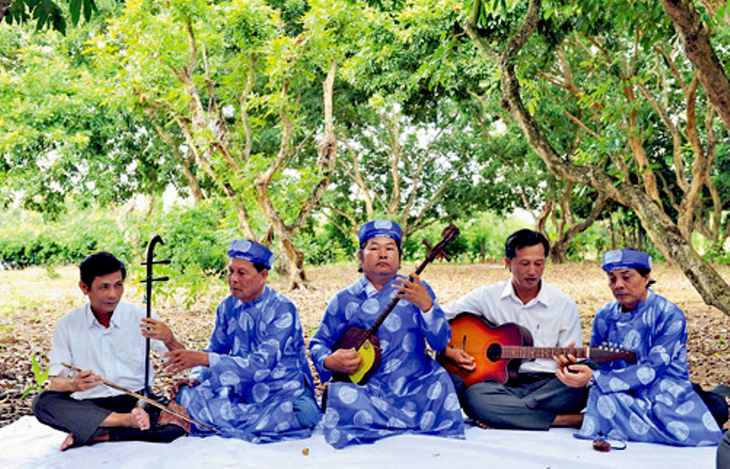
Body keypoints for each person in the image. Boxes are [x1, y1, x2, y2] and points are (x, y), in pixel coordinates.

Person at [309, 219, 465, 449]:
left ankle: (384, 427)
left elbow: (440, 342)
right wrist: (330, 360)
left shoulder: (417, 291)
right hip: (367, 389)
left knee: (440, 383)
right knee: (341, 395)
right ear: (360, 257)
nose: (383, 254)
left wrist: (427, 307)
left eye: (390, 248)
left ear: (399, 257)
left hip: (414, 385)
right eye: (374, 248)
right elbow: (318, 342)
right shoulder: (345, 299)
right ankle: (405, 425)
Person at [556, 248, 723, 446]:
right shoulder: (604, 315)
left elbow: (652, 370)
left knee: (676, 410)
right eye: (612, 279)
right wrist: (575, 366)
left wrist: (596, 378)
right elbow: (598, 362)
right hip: (616, 387)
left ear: (646, 278)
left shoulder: (669, 314)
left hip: (661, 387)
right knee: (595, 394)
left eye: (626, 277)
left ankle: (573, 420)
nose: (618, 285)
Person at [163, 240, 320, 443]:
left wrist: (202, 358)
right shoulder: (227, 307)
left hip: (280, 389)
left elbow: (261, 366)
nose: (233, 279)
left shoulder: (282, 309)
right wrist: (196, 377)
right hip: (239, 388)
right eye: (230, 272)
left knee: (305, 414)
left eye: (241, 273)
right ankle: (240, 419)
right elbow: (215, 349)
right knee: (185, 393)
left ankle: (212, 419)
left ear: (263, 275)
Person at [32, 252, 188, 451]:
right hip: (92, 405)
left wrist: (169, 338)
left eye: (118, 285)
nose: (113, 294)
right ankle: (125, 422)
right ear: (84, 288)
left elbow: (182, 361)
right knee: (43, 403)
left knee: (176, 426)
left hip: (140, 401)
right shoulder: (68, 325)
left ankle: (99, 434)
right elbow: (55, 382)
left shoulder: (141, 316)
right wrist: (75, 384)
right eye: (104, 287)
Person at [441, 229, 587, 430]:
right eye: (525, 264)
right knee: (474, 397)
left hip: (549, 386)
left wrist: (568, 364)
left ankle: (504, 414)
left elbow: (573, 364)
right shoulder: (488, 296)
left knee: (581, 389)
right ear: (508, 263)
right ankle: (563, 420)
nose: (533, 271)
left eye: (539, 263)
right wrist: (447, 350)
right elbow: (440, 315)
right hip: (502, 385)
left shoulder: (563, 304)